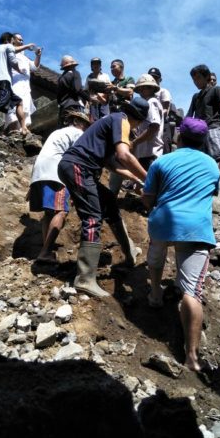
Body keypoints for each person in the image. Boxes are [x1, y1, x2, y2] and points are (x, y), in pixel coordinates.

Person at [142, 117, 220, 372]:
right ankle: (192, 357)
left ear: (179, 137)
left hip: (164, 221)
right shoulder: (212, 165)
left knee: (157, 252)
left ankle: (155, 293)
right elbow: (210, 193)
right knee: (191, 291)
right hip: (196, 229)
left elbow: (148, 197)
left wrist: (153, 209)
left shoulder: (162, 161)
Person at [57, 98, 150, 298]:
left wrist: (134, 177)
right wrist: (149, 179)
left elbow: (109, 162)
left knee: (108, 200)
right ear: (139, 121)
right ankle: (85, 279)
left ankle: (129, 251)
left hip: (78, 167)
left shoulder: (111, 121)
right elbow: (124, 155)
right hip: (78, 167)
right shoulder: (121, 121)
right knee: (92, 217)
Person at [29, 110, 92, 263]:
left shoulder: (57, 133)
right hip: (54, 172)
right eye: (84, 124)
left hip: (38, 172)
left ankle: (46, 249)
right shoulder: (77, 133)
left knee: (49, 213)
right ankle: (45, 252)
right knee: (61, 212)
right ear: (77, 122)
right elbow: (80, 158)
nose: (85, 128)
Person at [0, 32, 25, 138]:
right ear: (10, 40)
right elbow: (13, 61)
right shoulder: (8, 46)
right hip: (4, 80)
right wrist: (19, 69)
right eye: (13, 41)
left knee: (18, 101)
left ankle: (23, 128)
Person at [8, 32, 42, 134]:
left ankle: (24, 130)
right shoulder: (10, 52)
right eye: (19, 39)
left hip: (25, 87)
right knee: (14, 109)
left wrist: (38, 56)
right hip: (15, 84)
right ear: (13, 40)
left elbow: (35, 67)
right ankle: (13, 132)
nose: (22, 41)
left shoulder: (25, 58)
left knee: (26, 108)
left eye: (22, 40)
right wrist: (27, 46)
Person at [132, 74, 164, 170]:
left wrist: (135, 142)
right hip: (146, 153)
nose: (141, 92)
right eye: (140, 89)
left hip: (150, 153)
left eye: (143, 88)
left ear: (151, 88)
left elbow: (154, 126)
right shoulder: (151, 102)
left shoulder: (151, 102)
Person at [57, 55, 89, 127]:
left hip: (63, 107)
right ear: (72, 65)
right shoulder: (75, 73)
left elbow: (58, 98)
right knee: (75, 128)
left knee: (64, 128)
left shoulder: (60, 78)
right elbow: (78, 89)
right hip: (73, 105)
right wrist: (89, 99)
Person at [85, 57, 111, 121]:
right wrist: (88, 102)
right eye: (94, 64)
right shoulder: (89, 77)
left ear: (100, 65)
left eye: (98, 63)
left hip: (103, 102)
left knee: (105, 120)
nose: (96, 65)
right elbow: (86, 90)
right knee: (94, 121)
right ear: (91, 66)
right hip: (93, 102)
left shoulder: (105, 76)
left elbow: (110, 88)